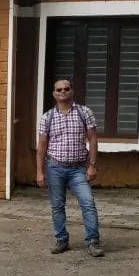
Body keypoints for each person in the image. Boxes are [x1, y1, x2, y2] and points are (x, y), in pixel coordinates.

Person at [36, 79, 104, 257]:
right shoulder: (47, 117)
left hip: (78, 169)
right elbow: (42, 146)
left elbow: (93, 140)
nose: (63, 92)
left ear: (72, 91)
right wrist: (39, 171)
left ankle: (93, 241)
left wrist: (92, 165)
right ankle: (61, 240)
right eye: (59, 89)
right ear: (54, 93)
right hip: (54, 167)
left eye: (66, 89)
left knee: (88, 203)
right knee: (57, 206)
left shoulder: (84, 113)